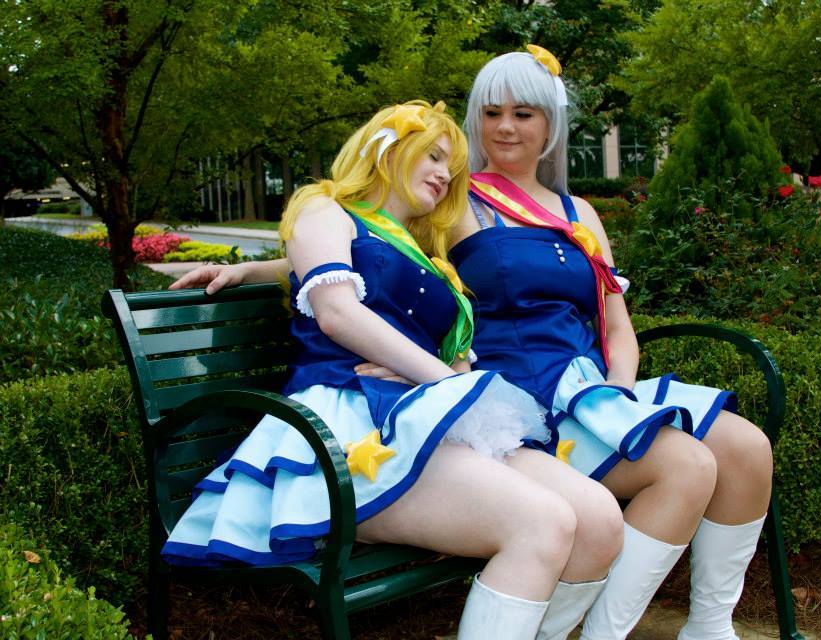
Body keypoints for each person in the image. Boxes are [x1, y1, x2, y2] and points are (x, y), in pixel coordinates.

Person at [172, 48, 773, 640]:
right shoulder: (450, 202)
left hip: (568, 390)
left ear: (551, 126)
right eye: (491, 113)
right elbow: (356, 250)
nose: (505, 126)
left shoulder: (572, 211)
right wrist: (253, 270)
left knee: (741, 451)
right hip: (501, 393)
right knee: (669, 473)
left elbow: (616, 325)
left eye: (523, 113)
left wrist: (619, 395)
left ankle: (706, 627)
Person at [161, 100, 623, 640]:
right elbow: (336, 311)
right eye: (432, 156)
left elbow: (339, 271)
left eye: (451, 168)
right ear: (387, 149)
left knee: (599, 521)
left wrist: (442, 372)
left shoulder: (425, 252)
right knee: (542, 523)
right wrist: (444, 379)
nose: (443, 176)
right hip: (353, 427)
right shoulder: (326, 208)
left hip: (423, 414)